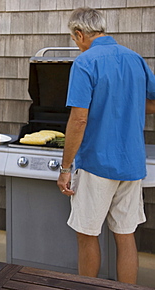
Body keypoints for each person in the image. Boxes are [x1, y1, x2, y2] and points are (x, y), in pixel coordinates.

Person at [57, 7, 155, 284]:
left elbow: (78, 120)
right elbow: (153, 102)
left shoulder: (86, 61)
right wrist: (129, 103)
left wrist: (66, 168)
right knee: (126, 236)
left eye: (74, 39)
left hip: (96, 164)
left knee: (87, 235)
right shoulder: (135, 59)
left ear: (79, 34)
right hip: (132, 164)